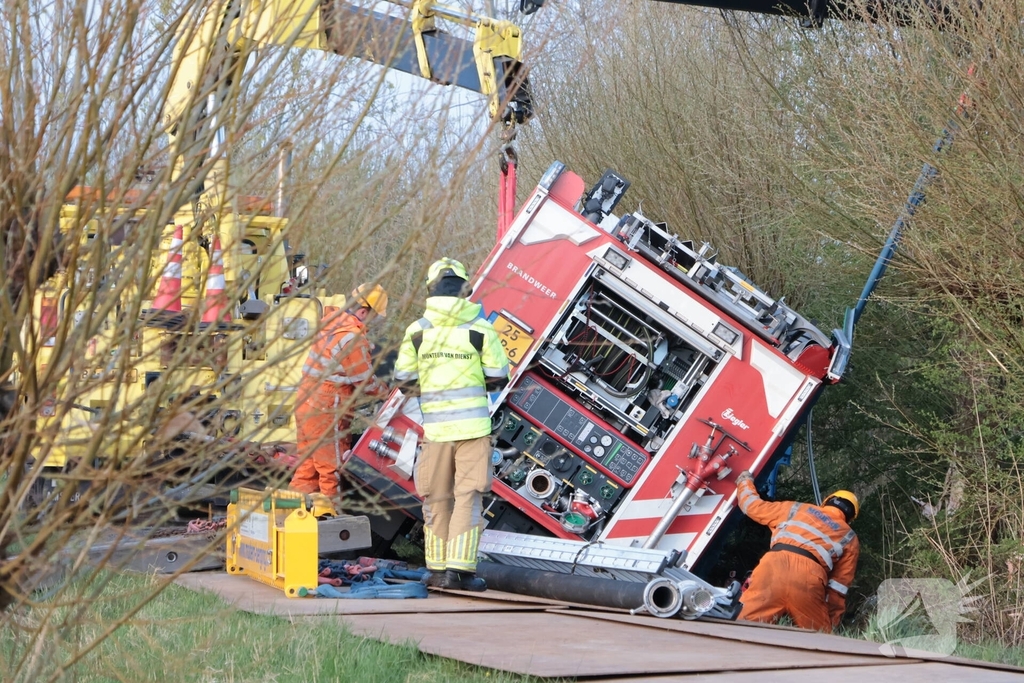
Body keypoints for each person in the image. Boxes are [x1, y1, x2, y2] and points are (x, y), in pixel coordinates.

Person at [393, 258, 509, 591]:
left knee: (436, 496)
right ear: (464, 289)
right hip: (473, 428)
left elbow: (403, 380)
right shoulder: (480, 327)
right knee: (468, 496)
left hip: (436, 431)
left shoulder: (417, 331)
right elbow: (499, 376)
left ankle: (436, 570)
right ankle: (460, 572)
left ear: (431, 290)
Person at [290, 283, 389, 498]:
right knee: (330, 469)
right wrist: (388, 394)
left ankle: (288, 516)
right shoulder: (352, 336)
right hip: (325, 407)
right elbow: (365, 382)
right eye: (374, 317)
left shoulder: (332, 325)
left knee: (308, 467)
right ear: (364, 311)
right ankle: (330, 520)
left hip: (306, 401)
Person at [734, 470, 860, 632]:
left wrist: (744, 481)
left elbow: (752, 506)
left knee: (740, 629)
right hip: (809, 579)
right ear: (850, 518)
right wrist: (831, 622)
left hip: (772, 567)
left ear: (826, 502)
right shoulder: (849, 537)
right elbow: (837, 588)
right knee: (819, 642)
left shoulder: (796, 509)